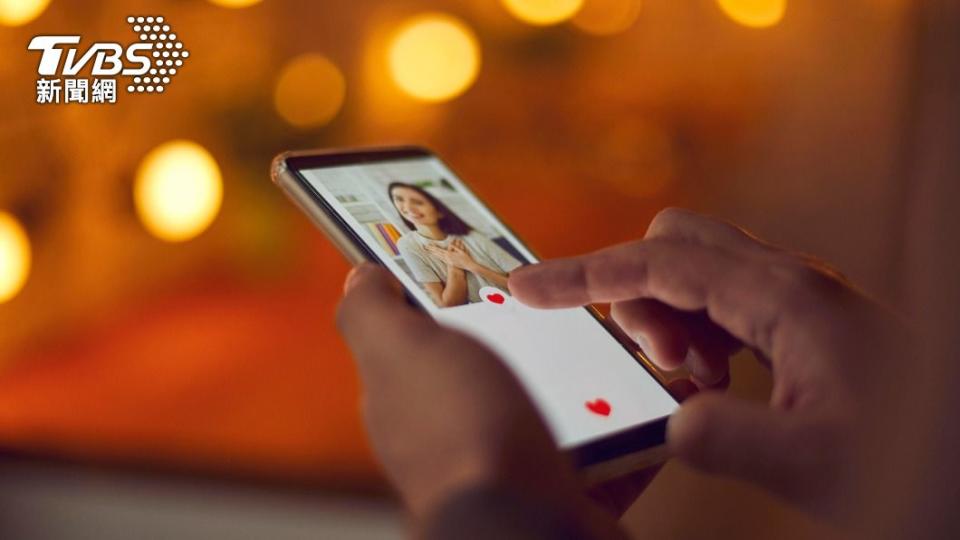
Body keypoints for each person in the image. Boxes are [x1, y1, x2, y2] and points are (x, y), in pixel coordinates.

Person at [337, 208, 927, 539]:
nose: (414, 210)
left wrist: (478, 495)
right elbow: (455, 294)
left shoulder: (469, 239)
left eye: (420, 201)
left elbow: (501, 283)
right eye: (405, 205)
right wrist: (925, 407)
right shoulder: (417, 248)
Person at [388, 182, 522, 307]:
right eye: (399, 199)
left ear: (440, 210)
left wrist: (471, 266)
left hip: (519, 303)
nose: (408, 207)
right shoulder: (408, 245)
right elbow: (447, 304)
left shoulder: (471, 236)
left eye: (418, 202)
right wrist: (454, 268)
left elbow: (524, 284)